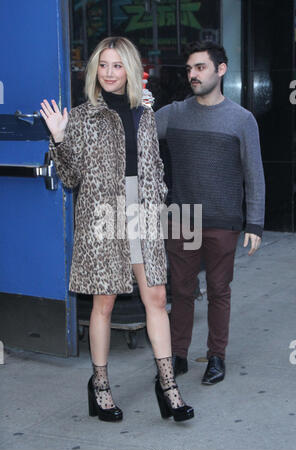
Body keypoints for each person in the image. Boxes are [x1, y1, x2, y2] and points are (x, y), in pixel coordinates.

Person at [40, 37, 194, 422]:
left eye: (117, 65)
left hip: (142, 211)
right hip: (101, 215)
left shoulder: (145, 113)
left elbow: (154, 165)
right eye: (103, 65)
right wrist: (59, 137)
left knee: (156, 297)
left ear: (129, 68)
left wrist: (159, 203)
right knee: (104, 303)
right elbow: (71, 177)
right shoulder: (80, 116)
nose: (109, 72)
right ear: (95, 70)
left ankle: (169, 387)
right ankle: (101, 387)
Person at [155, 41, 265, 385]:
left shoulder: (241, 119)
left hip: (223, 220)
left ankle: (216, 356)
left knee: (219, 290)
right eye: (189, 69)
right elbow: (136, 138)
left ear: (221, 69)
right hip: (182, 218)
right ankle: (179, 355)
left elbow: (254, 173)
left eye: (200, 67)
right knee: (182, 291)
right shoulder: (173, 113)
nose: (192, 75)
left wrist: (255, 222)